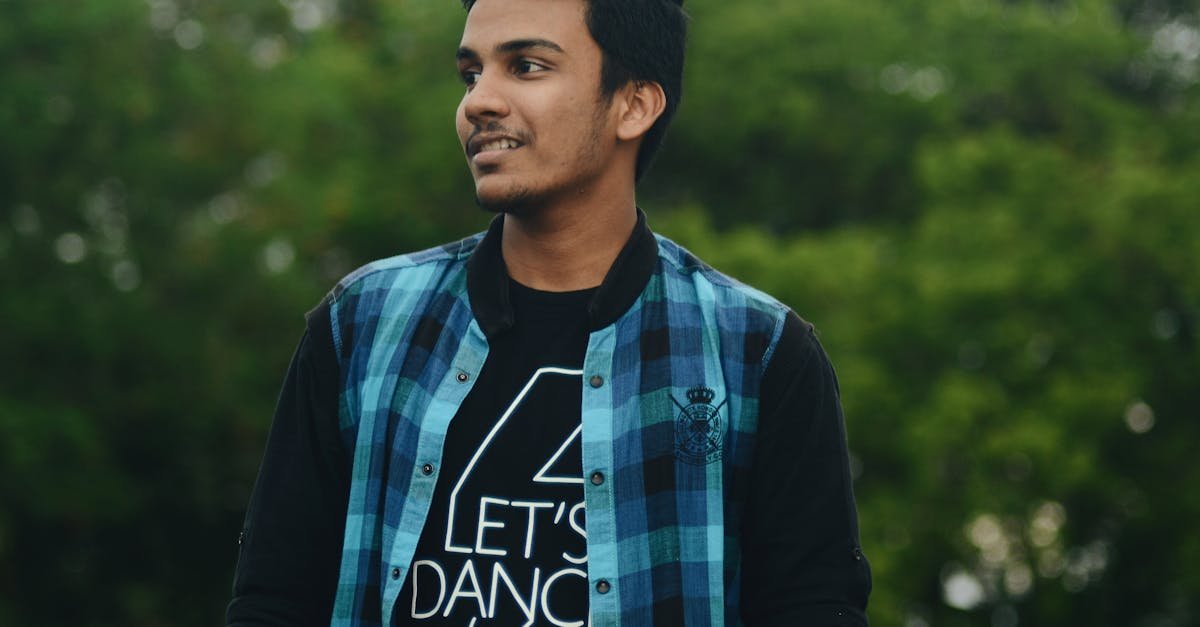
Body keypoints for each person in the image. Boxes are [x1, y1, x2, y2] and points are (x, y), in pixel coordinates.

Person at [226, 0, 871, 624]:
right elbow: (273, 600)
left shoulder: (756, 353)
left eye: (527, 65)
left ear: (634, 104)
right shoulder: (363, 324)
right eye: (471, 73)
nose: (479, 100)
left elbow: (815, 607)